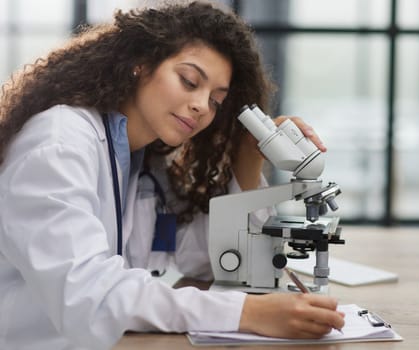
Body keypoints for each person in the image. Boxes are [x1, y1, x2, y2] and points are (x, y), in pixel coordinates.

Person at [0, 1, 345, 349]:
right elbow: (90, 294)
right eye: (189, 81)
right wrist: (248, 313)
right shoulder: (58, 144)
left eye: (216, 101)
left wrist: (248, 155)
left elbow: (205, 258)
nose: (201, 105)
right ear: (141, 64)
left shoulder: (140, 161)